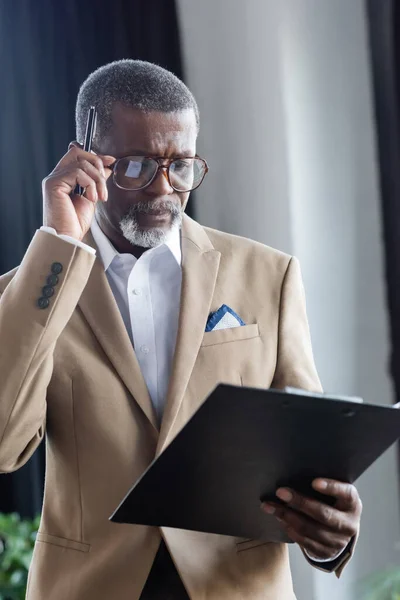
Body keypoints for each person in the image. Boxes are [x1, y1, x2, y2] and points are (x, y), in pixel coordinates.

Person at [0, 60, 362, 600]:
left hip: (236, 585)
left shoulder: (269, 275)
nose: (164, 188)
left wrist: (327, 534)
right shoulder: (30, 292)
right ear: (87, 158)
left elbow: (304, 452)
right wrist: (57, 245)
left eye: (182, 165)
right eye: (139, 165)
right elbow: (5, 445)